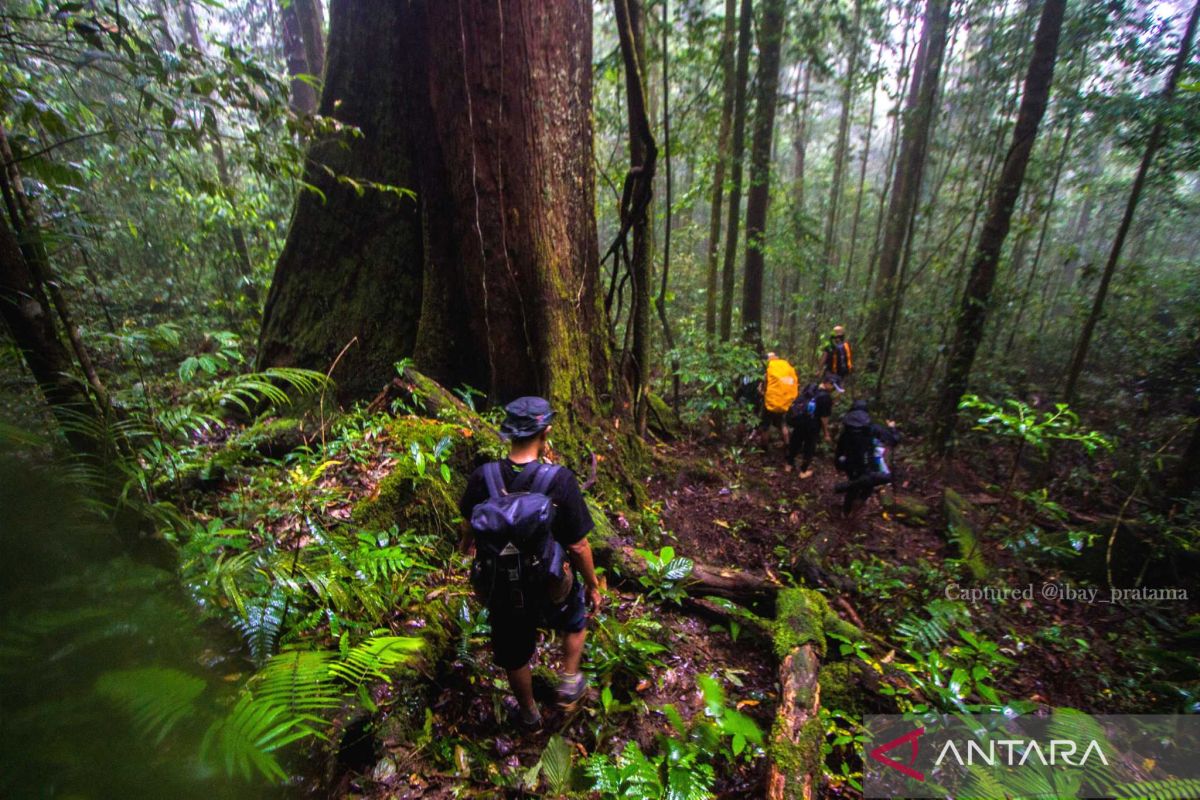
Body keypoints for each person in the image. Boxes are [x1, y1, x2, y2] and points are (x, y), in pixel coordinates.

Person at [458, 397, 603, 731]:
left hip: (502, 584)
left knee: (512, 647)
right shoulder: (560, 480)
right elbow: (578, 545)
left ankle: (528, 713)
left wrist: (466, 547)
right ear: (546, 432)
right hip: (549, 582)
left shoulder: (484, 476)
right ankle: (568, 679)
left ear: (508, 434)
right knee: (575, 616)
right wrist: (593, 585)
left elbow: (468, 525)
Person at [834, 400, 900, 514]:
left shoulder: (847, 429)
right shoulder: (872, 428)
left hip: (849, 464)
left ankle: (847, 512)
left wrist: (838, 464)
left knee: (854, 484)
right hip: (867, 465)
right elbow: (894, 440)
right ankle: (853, 510)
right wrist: (892, 428)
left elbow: (840, 448)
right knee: (867, 485)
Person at [785, 378, 834, 478]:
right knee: (809, 447)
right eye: (834, 387)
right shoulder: (826, 397)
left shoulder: (811, 386)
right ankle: (803, 471)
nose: (834, 390)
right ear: (828, 383)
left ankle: (789, 465)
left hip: (799, 420)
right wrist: (826, 433)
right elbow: (824, 417)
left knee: (795, 441)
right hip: (812, 425)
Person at [758, 351, 799, 452]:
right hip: (785, 403)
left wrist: (761, 391)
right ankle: (787, 445)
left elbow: (764, 387)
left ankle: (764, 449)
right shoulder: (787, 367)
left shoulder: (770, 369)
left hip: (770, 403)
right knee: (782, 424)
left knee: (765, 426)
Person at [821, 325, 853, 392]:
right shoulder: (847, 345)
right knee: (839, 391)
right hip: (843, 374)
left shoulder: (829, 346)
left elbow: (823, 359)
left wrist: (819, 369)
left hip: (831, 374)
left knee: (826, 391)